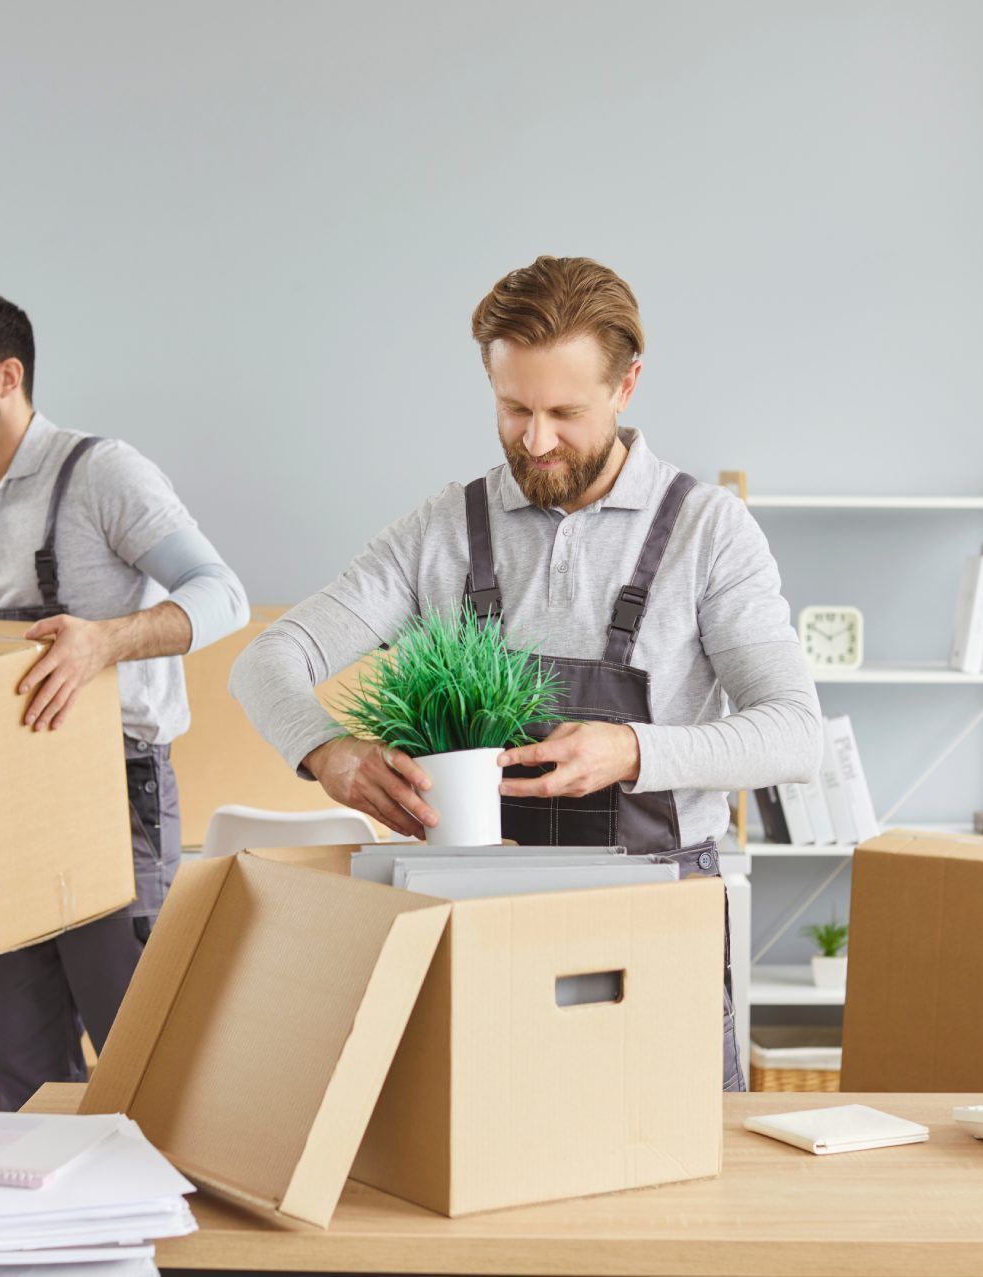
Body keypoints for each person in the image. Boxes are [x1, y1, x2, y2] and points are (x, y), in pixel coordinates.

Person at [228, 256, 821, 1090]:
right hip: (479, 930)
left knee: (676, 1203)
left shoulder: (707, 531)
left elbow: (796, 732)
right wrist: (329, 752)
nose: (535, 441)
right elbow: (267, 659)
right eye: (513, 409)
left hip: (654, 933)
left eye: (564, 412)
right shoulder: (443, 529)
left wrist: (633, 752)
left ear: (627, 386)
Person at [0, 291, 249, 1109]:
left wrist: (104, 639)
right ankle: (59, 1234)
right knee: (21, 1064)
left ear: (7, 375)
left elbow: (224, 595)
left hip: (111, 794)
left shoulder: (101, 475)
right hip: (0, 809)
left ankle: (175, 1238)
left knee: (138, 1047)